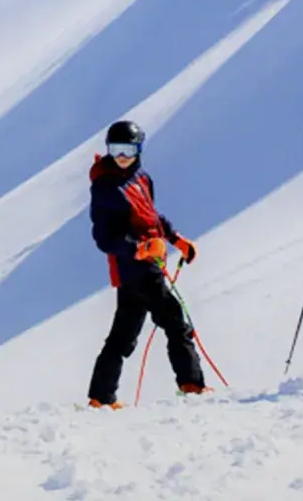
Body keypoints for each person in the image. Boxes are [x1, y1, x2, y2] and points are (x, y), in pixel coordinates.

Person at [85, 119, 206, 407]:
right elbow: (103, 236)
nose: (122, 156)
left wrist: (176, 239)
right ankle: (192, 386)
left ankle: (100, 399)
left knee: (123, 335)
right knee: (176, 322)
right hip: (136, 267)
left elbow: (152, 217)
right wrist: (138, 248)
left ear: (139, 149)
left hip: (145, 266)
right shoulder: (105, 187)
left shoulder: (141, 178)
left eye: (128, 149)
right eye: (116, 149)